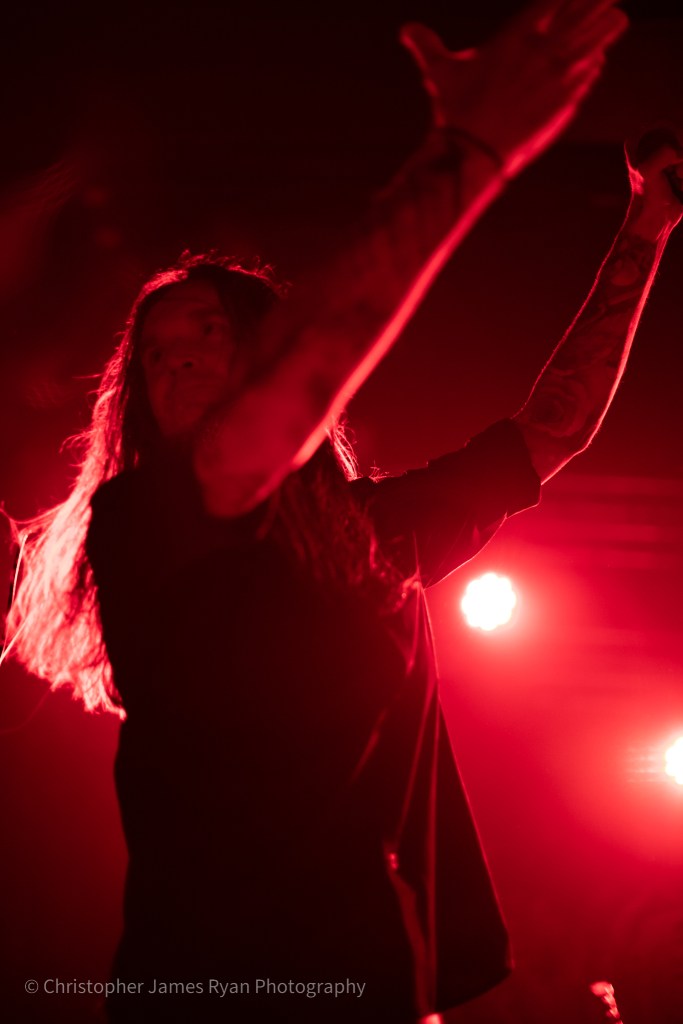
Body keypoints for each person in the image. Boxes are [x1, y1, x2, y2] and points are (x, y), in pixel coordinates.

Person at [5, 2, 683, 1022]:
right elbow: (282, 403)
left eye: (205, 331)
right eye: (155, 352)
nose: (175, 357)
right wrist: (470, 151)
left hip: (368, 981)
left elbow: (552, 428)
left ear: (258, 345)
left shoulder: (370, 537)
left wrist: (646, 228)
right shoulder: (140, 518)